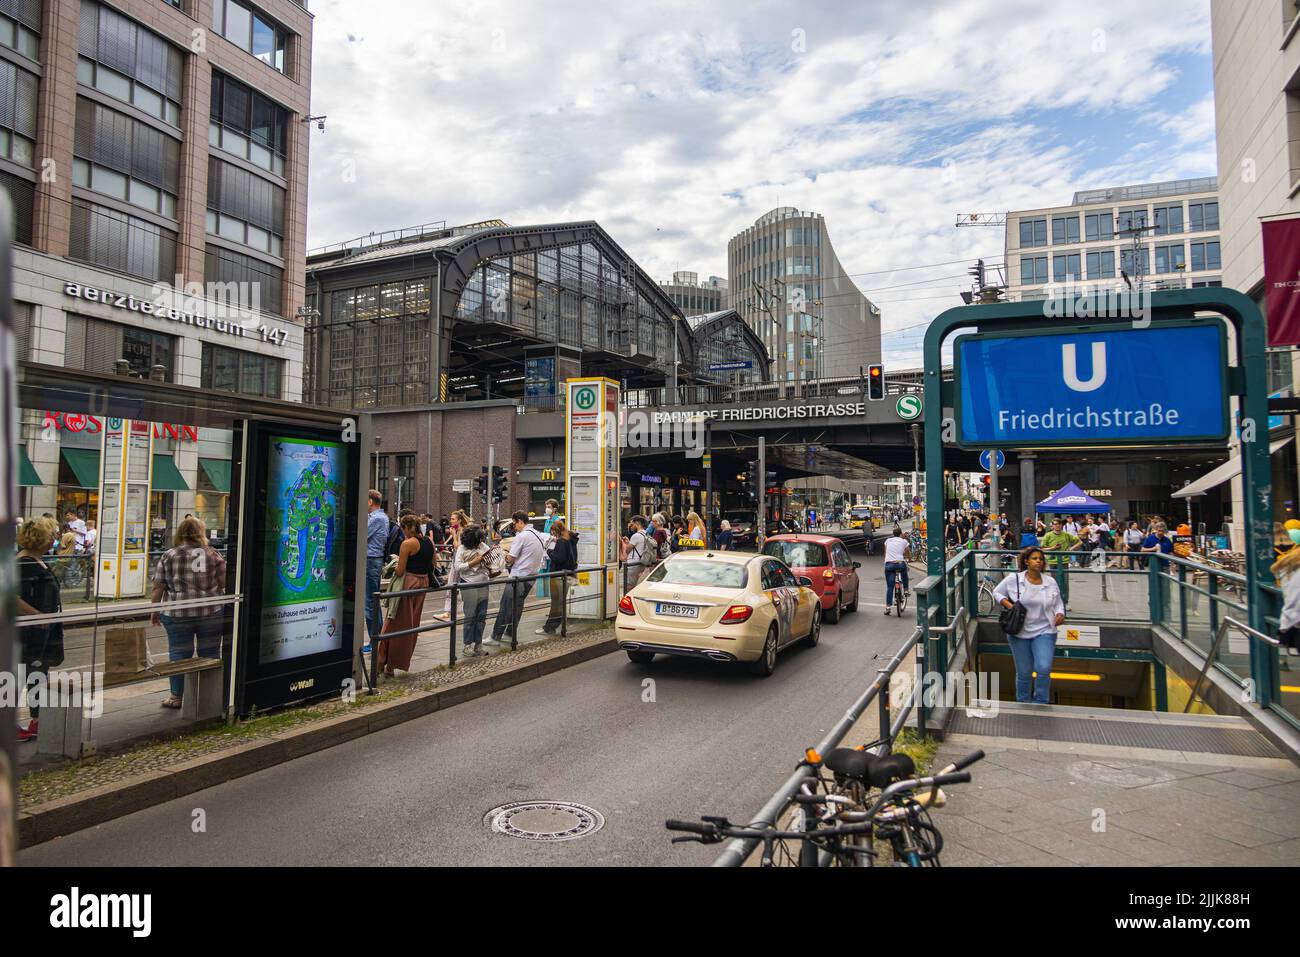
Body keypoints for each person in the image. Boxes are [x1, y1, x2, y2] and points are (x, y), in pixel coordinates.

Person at [150, 516, 227, 710]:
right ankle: (209, 696)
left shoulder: (169, 555)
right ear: (201, 533)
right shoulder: (213, 554)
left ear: (180, 533)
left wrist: (154, 610)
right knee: (210, 652)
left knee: (178, 653)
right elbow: (224, 582)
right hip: (211, 611)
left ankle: (176, 697)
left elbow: (158, 587)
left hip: (177, 613)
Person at [994, 547, 1066, 704]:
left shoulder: (1050, 582)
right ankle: (1023, 702)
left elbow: (1058, 602)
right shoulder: (1014, 579)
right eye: (1034, 558)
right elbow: (997, 592)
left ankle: (1041, 701)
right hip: (1019, 633)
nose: (1038, 561)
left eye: (1040, 558)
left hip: (1045, 631)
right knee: (1024, 672)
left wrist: (1060, 613)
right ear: (1026, 561)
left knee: (1044, 667)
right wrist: (1009, 605)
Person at [15, 516, 64, 742]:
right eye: (52, 534)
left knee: (37, 675)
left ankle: (38, 720)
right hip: (26, 633)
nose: (55, 538)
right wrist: (36, 614)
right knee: (16, 678)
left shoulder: (36, 561)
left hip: (40, 633)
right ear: (41, 538)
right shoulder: (23, 563)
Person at [376, 514, 434, 677]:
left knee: (393, 624)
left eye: (403, 529)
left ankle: (385, 665)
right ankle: (395, 663)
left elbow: (400, 570)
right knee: (410, 627)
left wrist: (394, 564)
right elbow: (433, 564)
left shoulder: (407, 543)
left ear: (407, 528)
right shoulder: (428, 542)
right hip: (422, 584)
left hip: (408, 585)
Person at [488, 511, 548, 647]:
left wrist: (503, 554)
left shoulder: (521, 537)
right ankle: (509, 633)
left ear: (520, 521)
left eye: (514, 524)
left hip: (518, 576)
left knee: (506, 606)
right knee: (517, 607)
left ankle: (495, 636)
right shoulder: (537, 534)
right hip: (531, 577)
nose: (514, 527)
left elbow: (511, 558)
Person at [453, 524, 493, 658]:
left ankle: (478, 645)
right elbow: (457, 567)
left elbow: (492, 560)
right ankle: (467, 645)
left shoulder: (483, 547)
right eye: (479, 539)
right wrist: (473, 562)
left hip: (483, 583)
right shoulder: (462, 549)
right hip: (468, 584)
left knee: (481, 616)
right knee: (470, 616)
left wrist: (491, 563)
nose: (481, 541)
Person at [538, 518, 578, 635]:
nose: (553, 535)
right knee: (560, 602)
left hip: (559, 575)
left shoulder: (561, 542)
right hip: (569, 573)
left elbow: (559, 558)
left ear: (557, 531)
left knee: (556, 603)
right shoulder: (571, 539)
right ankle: (559, 626)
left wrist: (549, 552)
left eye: (553, 533)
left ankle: (549, 628)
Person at [364, 490, 387, 651]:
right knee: (372, 601)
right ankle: (377, 638)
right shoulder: (380, 517)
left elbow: (362, 534)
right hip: (373, 560)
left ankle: (375, 640)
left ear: (370, 501)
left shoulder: (377, 518)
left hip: (371, 560)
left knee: (370, 602)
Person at [882, 526, 911, 615]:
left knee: (890, 587)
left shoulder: (888, 541)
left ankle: (888, 608)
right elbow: (907, 552)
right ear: (900, 534)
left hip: (889, 564)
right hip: (900, 563)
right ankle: (906, 589)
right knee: (904, 571)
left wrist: (887, 560)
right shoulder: (904, 541)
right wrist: (908, 558)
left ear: (893, 534)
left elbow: (886, 552)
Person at [621, 515, 651, 586]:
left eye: (632, 524)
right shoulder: (646, 534)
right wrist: (629, 542)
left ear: (637, 523)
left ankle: (629, 597)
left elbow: (627, 550)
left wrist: (624, 544)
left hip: (633, 564)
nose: (630, 527)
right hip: (641, 563)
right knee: (635, 584)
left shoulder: (636, 535)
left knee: (629, 585)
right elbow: (638, 546)